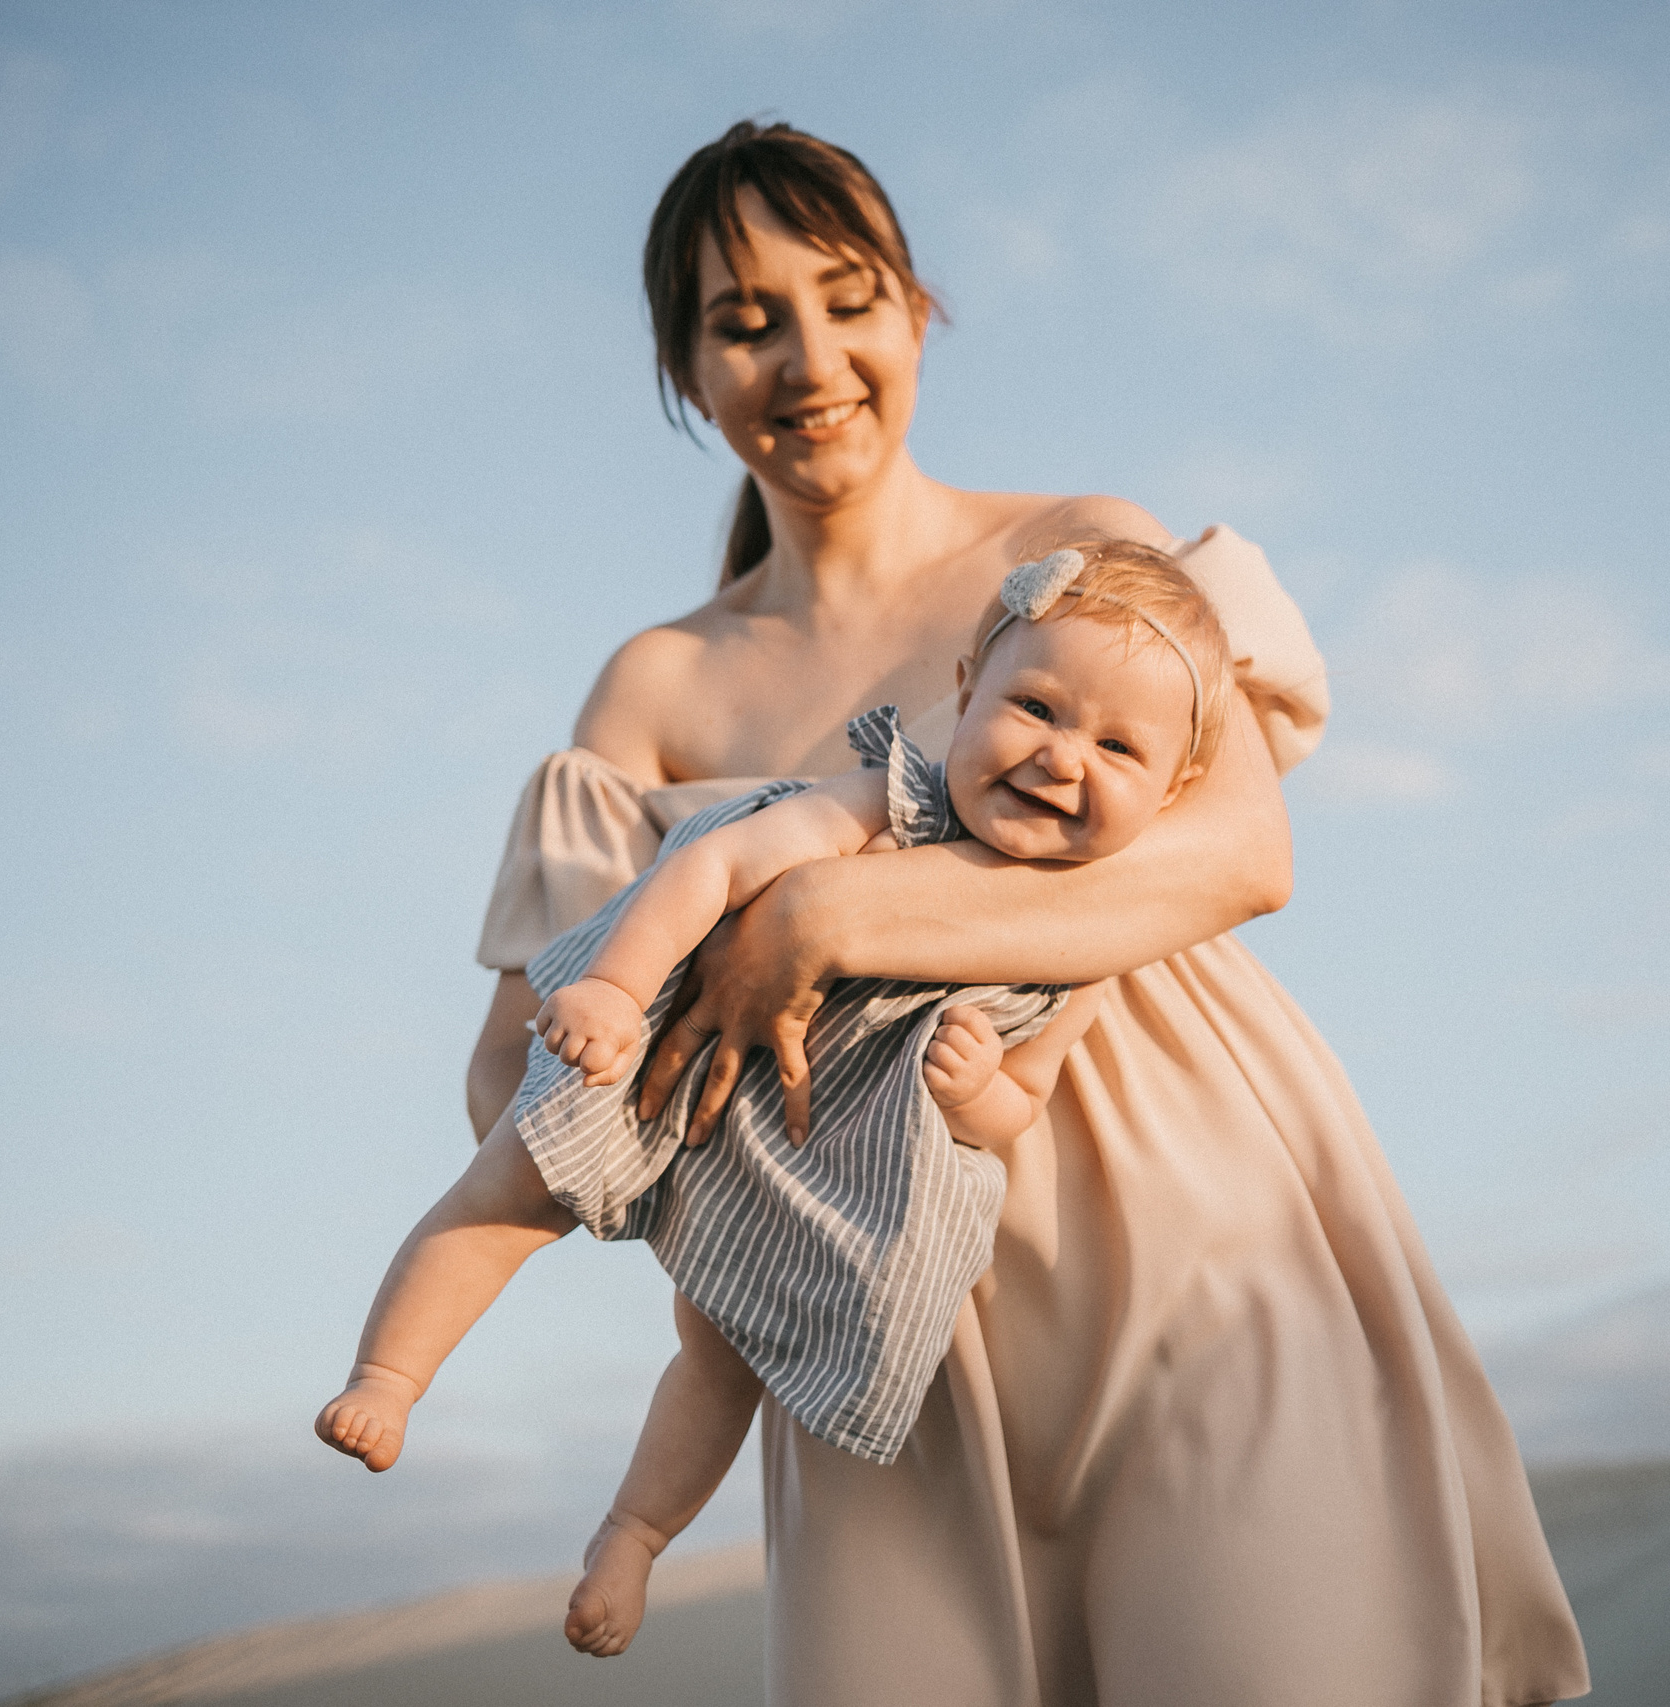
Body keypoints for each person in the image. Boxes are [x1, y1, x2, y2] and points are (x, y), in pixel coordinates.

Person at [464, 121, 1589, 1705]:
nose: (806, 356)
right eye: (742, 319)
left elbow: (1241, 855)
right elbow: (503, 1070)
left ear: (918, 312)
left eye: (847, 298)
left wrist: (836, 908)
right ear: (681, 367)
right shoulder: (656, 685)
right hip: (862, 1325)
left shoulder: (1084, 553)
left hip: (1198, 1232)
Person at [318, 542, 1228, 1656]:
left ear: (1175, 789)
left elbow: (1022, 1101)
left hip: (815, 1145)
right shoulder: (886, 804)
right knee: (512, 1188)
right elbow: (709, 870)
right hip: (671, 1039)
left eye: (1117, 745)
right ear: (964, 693)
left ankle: (633, 1534)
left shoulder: (1083, 946)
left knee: (724, 1353)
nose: (1059, 756)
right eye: (1034, 705)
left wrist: (979, 1093)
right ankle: (390, 1374)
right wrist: (615, 983)